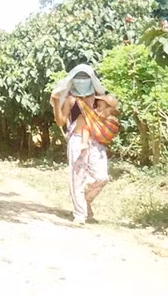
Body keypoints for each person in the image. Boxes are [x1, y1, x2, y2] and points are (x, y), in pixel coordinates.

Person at [51, 64, 119, 225]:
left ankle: (86, 199)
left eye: (85, 78)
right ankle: (80, 214)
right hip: (77, 139)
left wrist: (108, 108)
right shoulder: (71, 100)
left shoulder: (99, 98)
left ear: (92, 80)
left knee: (102, 177)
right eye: (78, 79)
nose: (82, 82)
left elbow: (115, 108)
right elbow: (61, 121)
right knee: (77, 177)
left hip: (96, 141)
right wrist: (55, 103)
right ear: (73, 81)